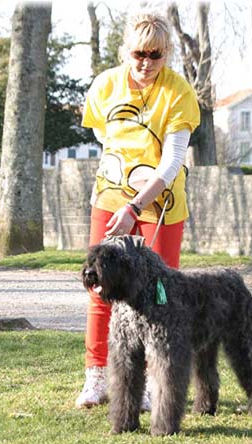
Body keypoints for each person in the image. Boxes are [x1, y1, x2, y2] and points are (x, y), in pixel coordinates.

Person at [76, 11, 200, 409]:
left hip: (160, 204)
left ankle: (147, 383)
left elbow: (173, 160)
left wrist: (136, 204)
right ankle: (97, 377)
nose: (146, 62)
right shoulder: (105, 84)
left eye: (156, 55)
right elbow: (102, 132)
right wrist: (120, 181)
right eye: (138, 53)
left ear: (166, 55)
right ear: (126, 51)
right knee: (100, 286)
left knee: (157, 296)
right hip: (110, 201)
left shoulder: (178, 91)